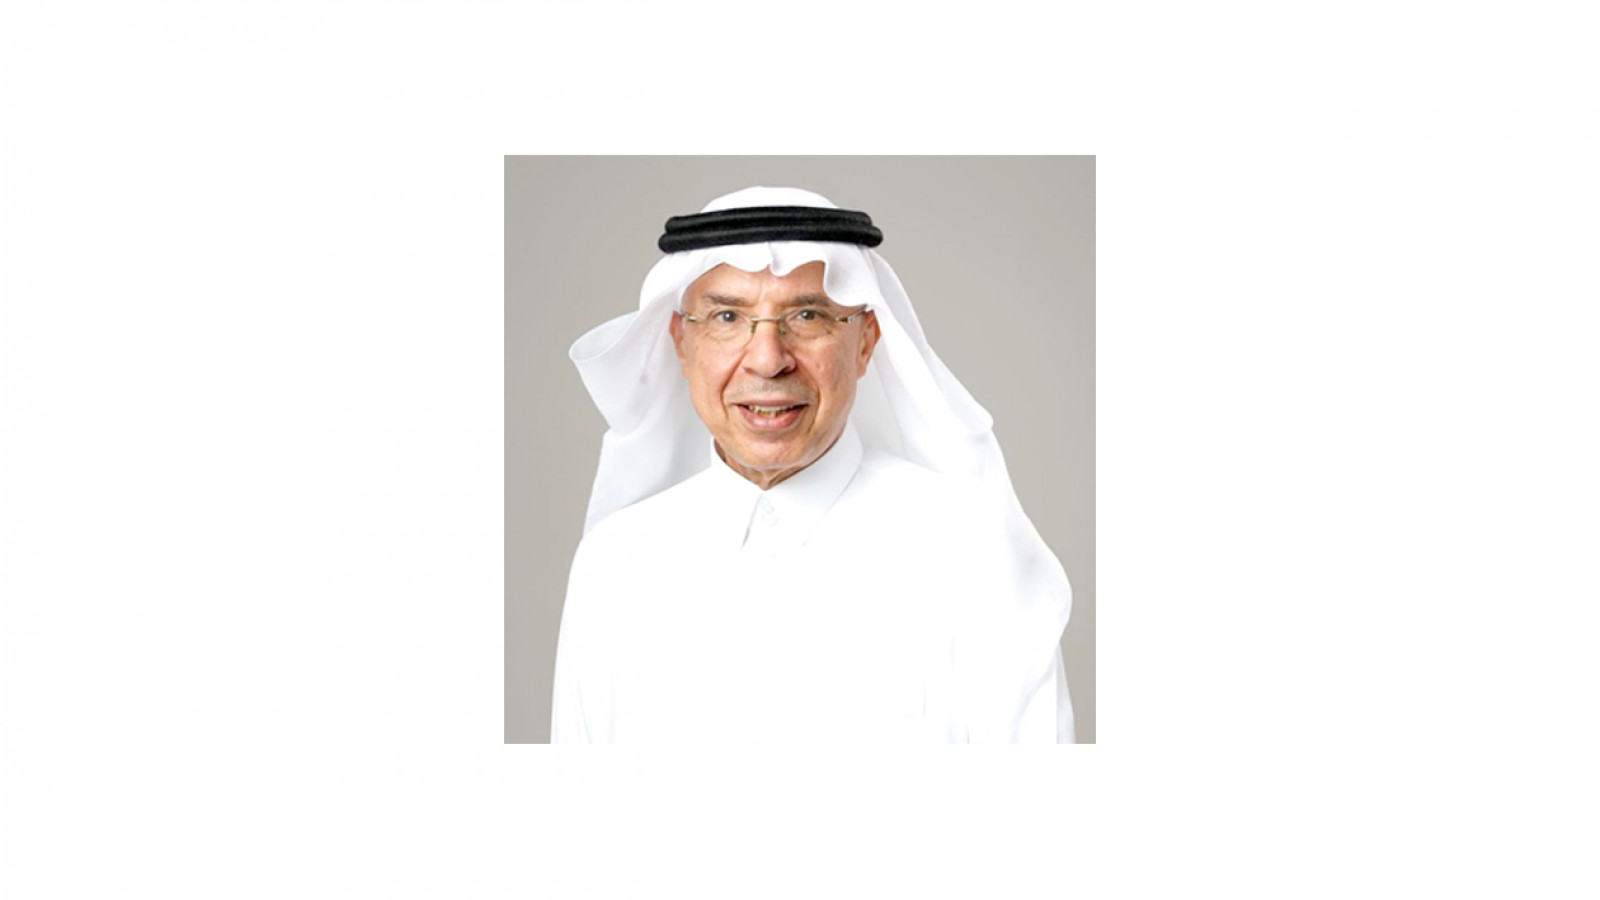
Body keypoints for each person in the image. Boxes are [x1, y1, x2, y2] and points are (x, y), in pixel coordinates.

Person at [551, 186, 1074, 743]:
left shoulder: (972, 551)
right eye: (728, 316)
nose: (768, 360)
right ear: (682, 343)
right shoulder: (614, 564)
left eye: (807, 315)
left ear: (866, 342)